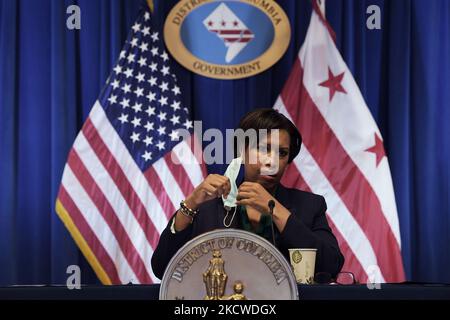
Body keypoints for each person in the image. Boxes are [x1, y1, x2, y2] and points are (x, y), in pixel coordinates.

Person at [151, 109, 344, 280]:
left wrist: (276, 210)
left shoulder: (309, 205)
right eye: (263, 149)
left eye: (282, 153)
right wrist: (191, 204)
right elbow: (162, 268)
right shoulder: (209, 207)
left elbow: (331, 266)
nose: (272, 162)